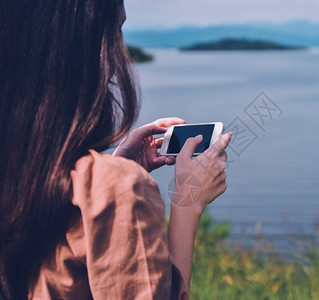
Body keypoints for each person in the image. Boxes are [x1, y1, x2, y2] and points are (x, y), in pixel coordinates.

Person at [0, 0, 230, 299]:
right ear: (79, 44)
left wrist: (109, 170)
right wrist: (188, 201)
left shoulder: (17, 167)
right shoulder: (119, 189)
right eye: (116, 30)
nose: (122, 52)